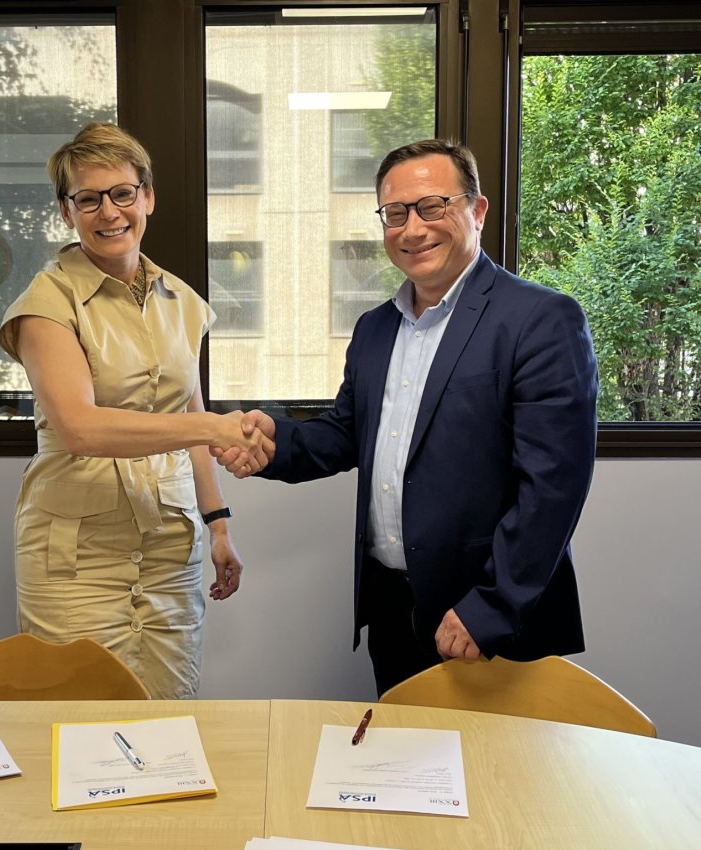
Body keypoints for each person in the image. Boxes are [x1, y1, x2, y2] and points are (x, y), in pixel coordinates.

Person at [215, 139, 599, 696]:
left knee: (501, 781)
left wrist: (490, 607)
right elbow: (345, 433)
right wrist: (276, 442)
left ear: (477, 210)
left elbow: (554, 486)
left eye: (432, 206)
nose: (412, 228)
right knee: (409, 777)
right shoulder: (376, 327)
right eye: (395, 214)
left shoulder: (540, 319)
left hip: (492, 619)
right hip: (394, 610)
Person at [0, 122, 272, 699]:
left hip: (169, 547)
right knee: (78, 724)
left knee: (170, 716)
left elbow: (191, 413)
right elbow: (80, 428)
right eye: (88, 199)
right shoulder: (45, 304)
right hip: (76, 557)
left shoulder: (183, 302)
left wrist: (219, 525)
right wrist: (211, 425)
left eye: (123, 193)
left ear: (147, 196)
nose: (109, 212)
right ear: (66, 212)